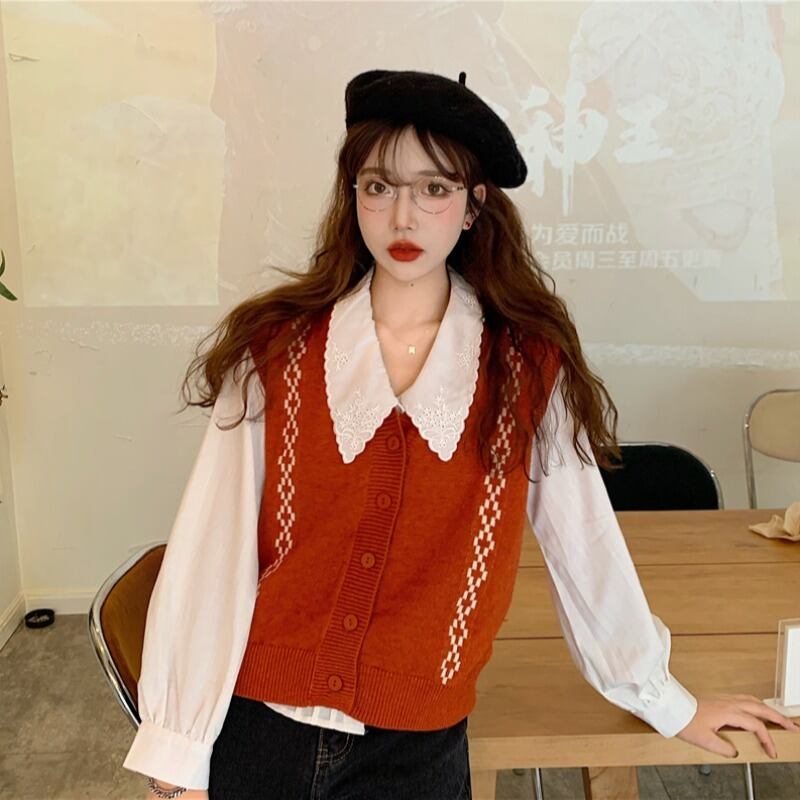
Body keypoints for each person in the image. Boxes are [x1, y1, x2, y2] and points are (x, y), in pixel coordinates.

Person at [122, 69, 799, 800]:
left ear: (474, 206)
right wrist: (178, 750)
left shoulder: (524, 367)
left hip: (417, 750)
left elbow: (583, 545)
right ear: (353, 197)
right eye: (379, 186)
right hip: (258, 729)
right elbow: (211, 551)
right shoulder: (277, 349)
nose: (403, 217)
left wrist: (665, 698)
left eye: (434, 189)